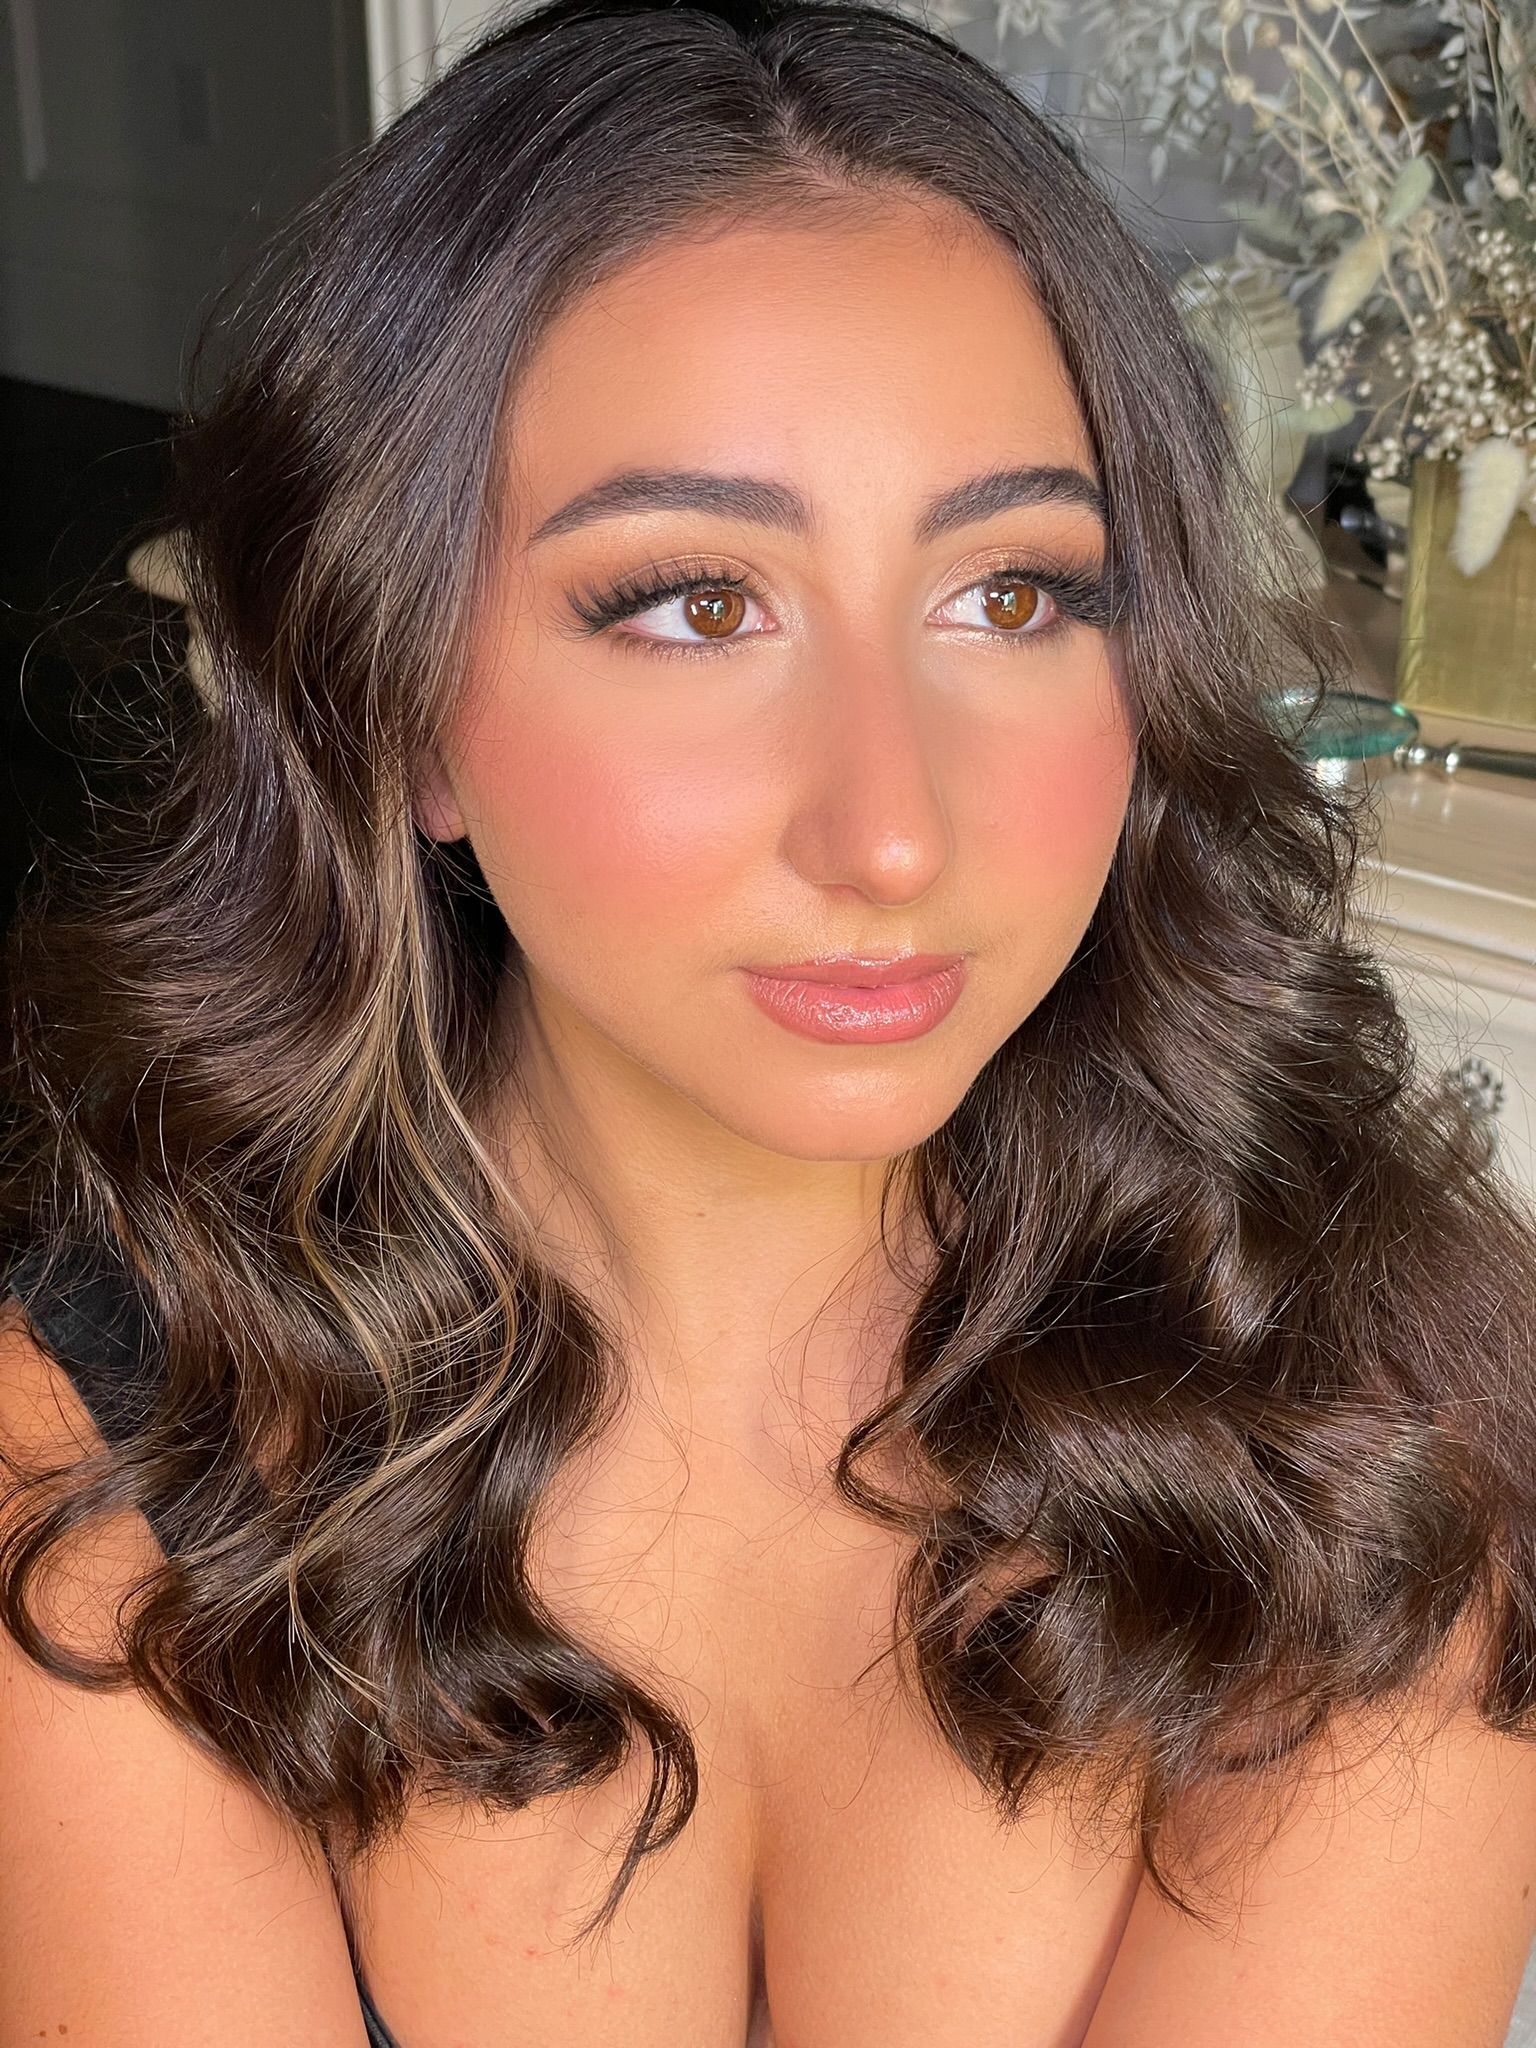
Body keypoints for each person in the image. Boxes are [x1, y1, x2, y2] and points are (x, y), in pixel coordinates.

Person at [4, 0, 1536, 2042]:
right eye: (693, 604)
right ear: (399, 704)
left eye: (1011, 595)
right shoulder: (99, 1453)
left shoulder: (1377, 1427)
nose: (893, 830)